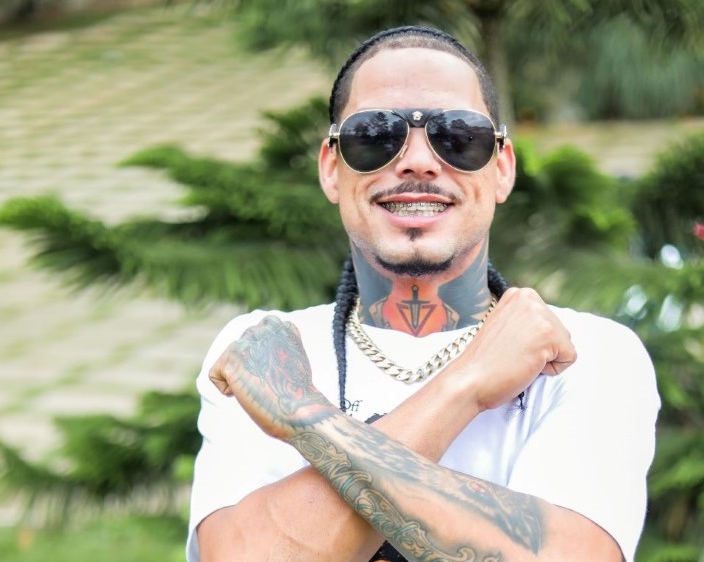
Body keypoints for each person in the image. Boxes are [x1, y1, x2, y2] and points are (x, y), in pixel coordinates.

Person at [187, 25, 660, 562]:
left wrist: (302, 413)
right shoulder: (266, 348)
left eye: (458, 135)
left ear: (502, 169)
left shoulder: (583, 353)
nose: (418, 161)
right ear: (332, 170)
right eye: (374, 135)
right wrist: (469, 387)